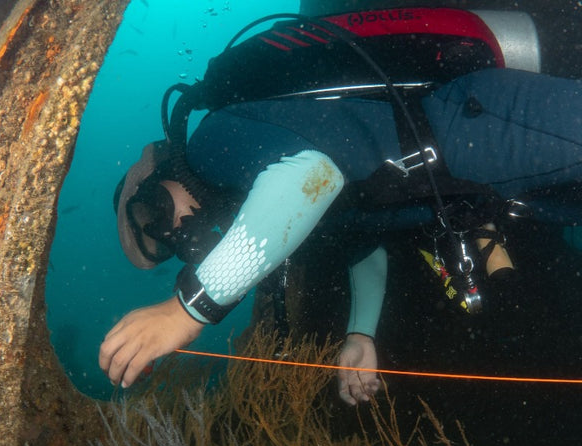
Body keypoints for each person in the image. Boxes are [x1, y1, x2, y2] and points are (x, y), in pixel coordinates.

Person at [99, 5, 582, 405]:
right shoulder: (256, 204)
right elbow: (363, 245)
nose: (177, 232)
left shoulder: (210, 144)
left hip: (471, 123)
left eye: (154, 217)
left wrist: (186, 312)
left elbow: (315, 175)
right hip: (489, 188)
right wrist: (361, 334)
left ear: (161, 174)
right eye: (166, 249)